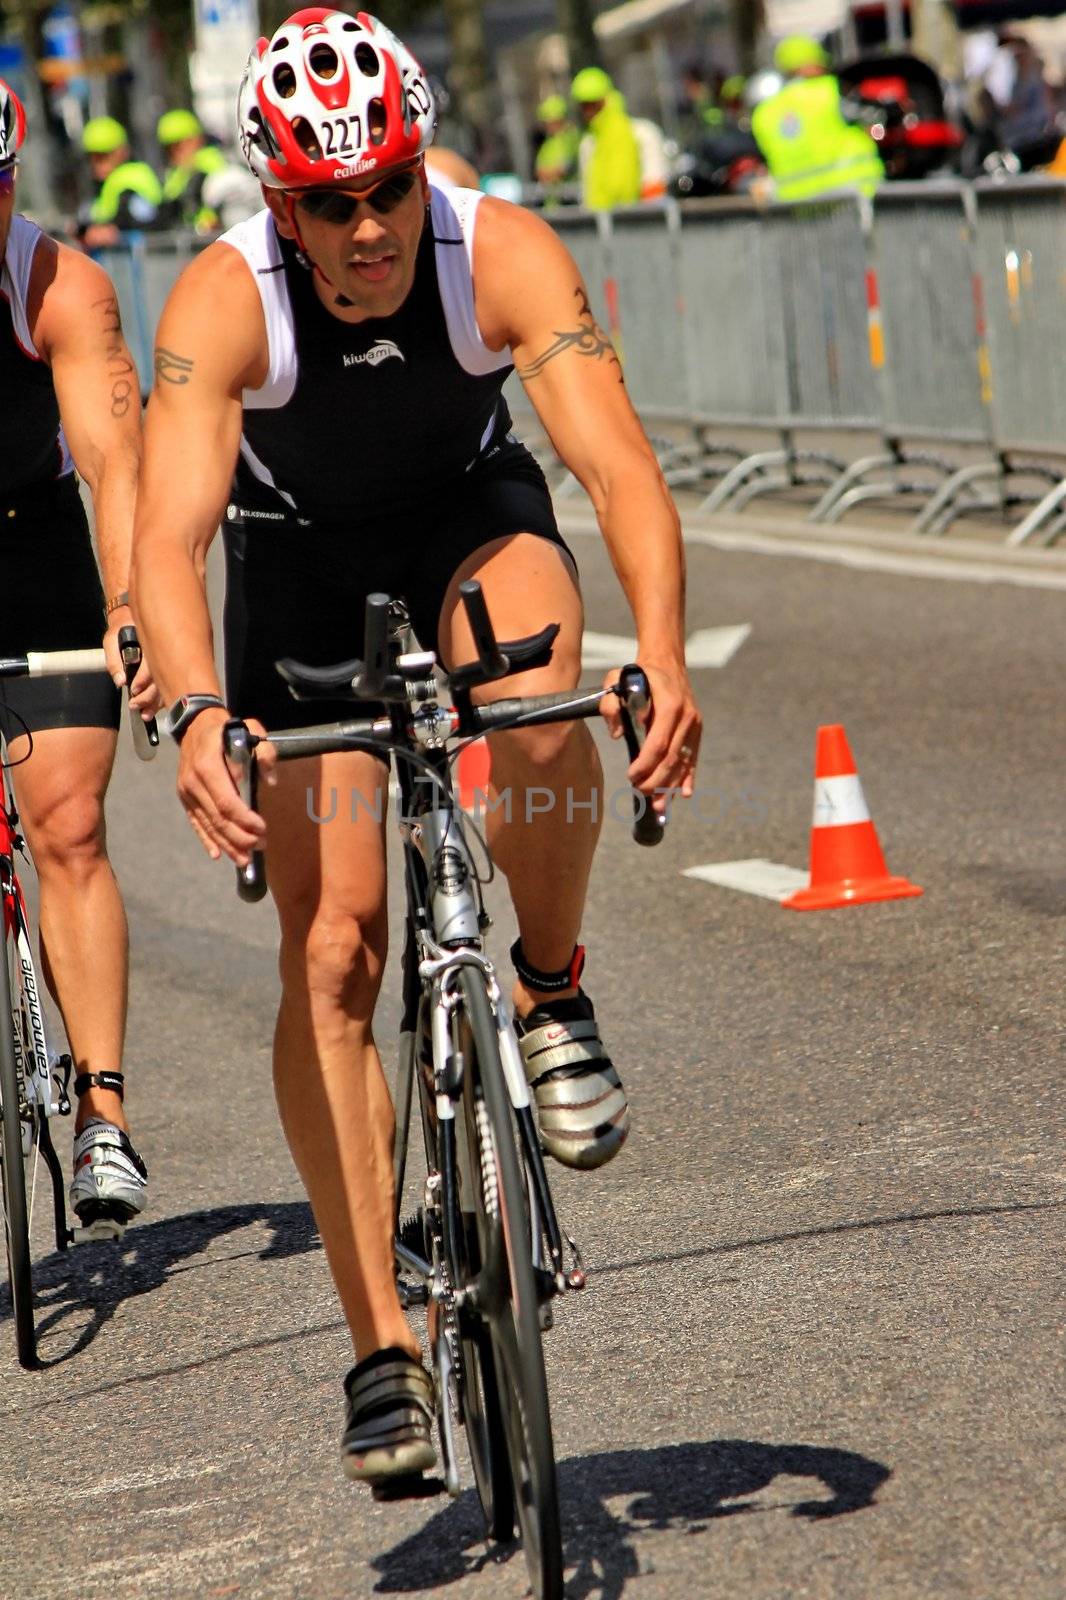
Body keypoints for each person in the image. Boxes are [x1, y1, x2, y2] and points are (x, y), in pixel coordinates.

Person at [131, 9, 699, 1488]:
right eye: (334, 202)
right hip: (298, 571)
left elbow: (614, 462)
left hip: (466, 516)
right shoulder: (220, 299)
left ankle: (551, 984)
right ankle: (380, 1344)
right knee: (333, 954)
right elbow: (167, 535)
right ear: (280, 205)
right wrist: (197, 710)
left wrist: (671, 654)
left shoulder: (495, 249)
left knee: (542, 693)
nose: (371, 225)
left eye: (389, 184)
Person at [0, 80, 156, 1230]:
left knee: (67, 824)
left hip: (33, 543)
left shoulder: (59, 285)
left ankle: (102, 1110)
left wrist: (129, 607)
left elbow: (114, 463)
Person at [750, 36, 883, 202]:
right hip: (851, 196)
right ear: (813, 63)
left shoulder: (764, 112)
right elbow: (876, 120)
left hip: (797, 206)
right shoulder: (831, 91)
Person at [79, 115, 163, 249]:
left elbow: (145, 219)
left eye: (103, 156)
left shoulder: (134, 176)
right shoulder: (101, 185)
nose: (97, 164)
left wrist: (114, 229)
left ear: (122, 152)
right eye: (92, 157)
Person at [570, 65, 642, 210]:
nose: (588, 111)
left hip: (625, 221)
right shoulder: (590, 139)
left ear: (605, 100)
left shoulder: (631, 131)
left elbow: (624, 187)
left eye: (593, 104)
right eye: (584, 105)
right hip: (602, 220)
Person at [157, 108, 228, 231]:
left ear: (198, 139)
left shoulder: (213, 165)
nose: (176, 152)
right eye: (169, 148)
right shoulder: (173, 175)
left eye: (180, 144)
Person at [534, 93, 580, 191]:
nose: (548, 125)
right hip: (552, 199)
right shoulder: (547, 143)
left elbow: (565, 167)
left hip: (570, 196)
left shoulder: (572, 138)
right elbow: (539, 170)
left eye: (550, 121)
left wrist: (552, 173)